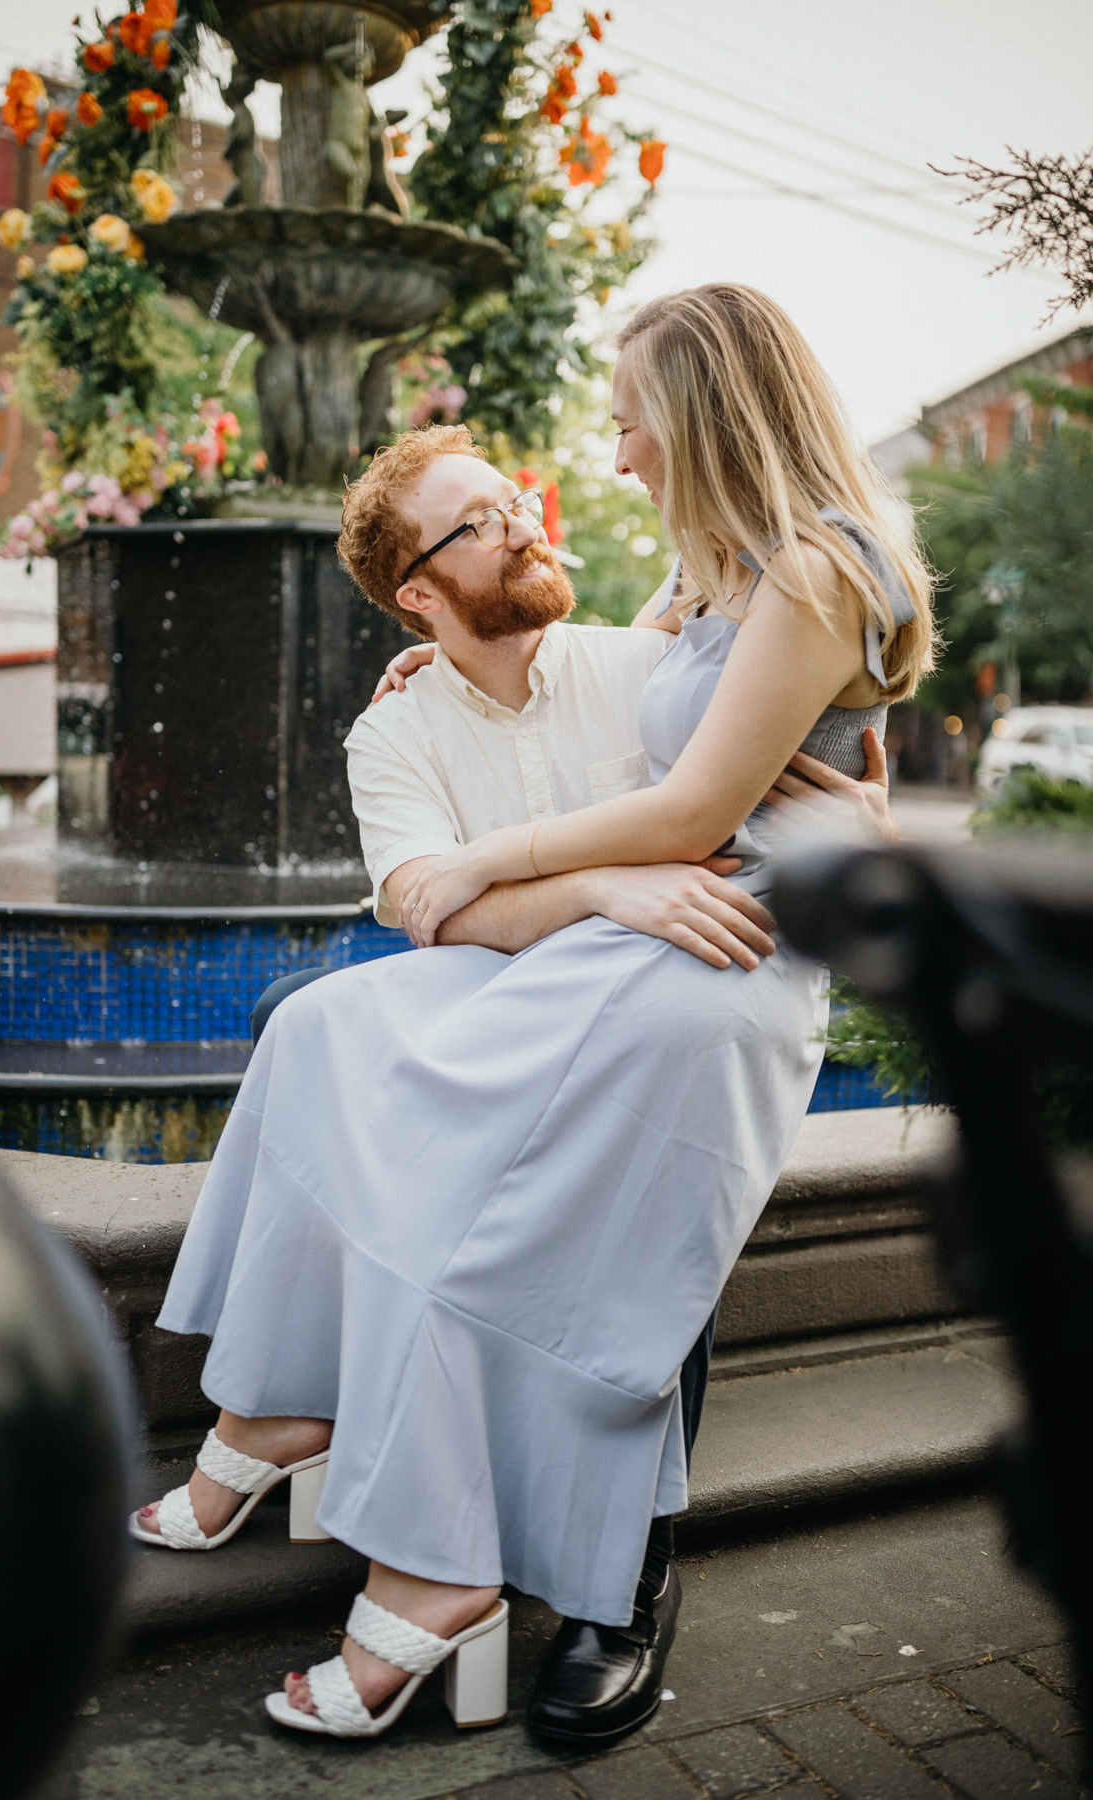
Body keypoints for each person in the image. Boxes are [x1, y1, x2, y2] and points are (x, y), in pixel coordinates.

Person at [138, 284, 934, 1744]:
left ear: (701, 411)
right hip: (643, 942)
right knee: (333, 1044)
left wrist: (494, 863)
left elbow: (700, 798)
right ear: (421, 597)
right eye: (489, 513)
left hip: (719, 955)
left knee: (471, 1196)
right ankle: (334, 1469)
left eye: (629, 421)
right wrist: (452, 686)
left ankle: (576, 1576)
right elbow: (702, 702)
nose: (615, 457)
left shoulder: (815, 572)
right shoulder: (716, 582)